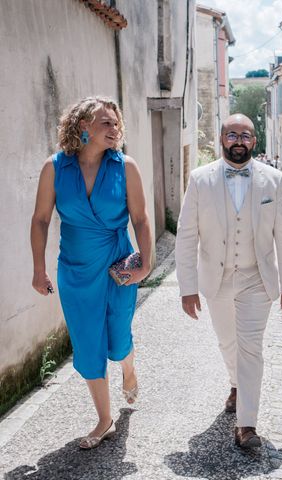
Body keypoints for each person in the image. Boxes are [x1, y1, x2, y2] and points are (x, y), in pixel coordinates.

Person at [30, 96, 152, 448]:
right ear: (83, 126)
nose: (114, 129)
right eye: (105, 123)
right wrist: (39, 270)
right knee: (87, 341)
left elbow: (141, 219)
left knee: (116, 333)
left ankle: (128, 369)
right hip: (75, 269)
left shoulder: (125, 167)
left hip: (117, 263)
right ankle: (104, 419)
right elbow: (39, 220)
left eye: (116, 123)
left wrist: (145, 262)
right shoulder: (55, 168)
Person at [175, 113, 282, 448]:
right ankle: (234, 383)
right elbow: (186, 236)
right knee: (227, 342)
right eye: (232, 135)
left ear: (254, 141)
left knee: (250, 348)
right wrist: (187, 288)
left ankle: (247, 425)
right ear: (221, 139)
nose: (239, 141)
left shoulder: (273, 180)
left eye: (245, 135)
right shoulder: (200, 179)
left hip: (257, 278)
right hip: (217, 277)